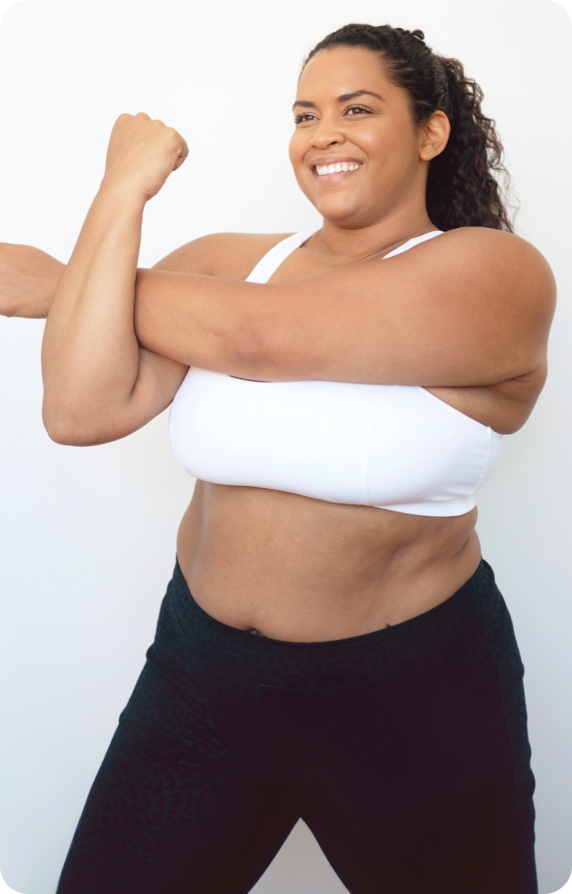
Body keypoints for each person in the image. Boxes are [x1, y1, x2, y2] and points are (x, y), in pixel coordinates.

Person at [0, 22, 555, 894]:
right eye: (305, 114)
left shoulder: (495, 274)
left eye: (357, 109)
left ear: (431, 132)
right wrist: (122, 188)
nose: (322, 133)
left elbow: (261, 341)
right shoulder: (225, 266)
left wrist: (60, 282)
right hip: (200, 681)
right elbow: (80, 409)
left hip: (409, 698)